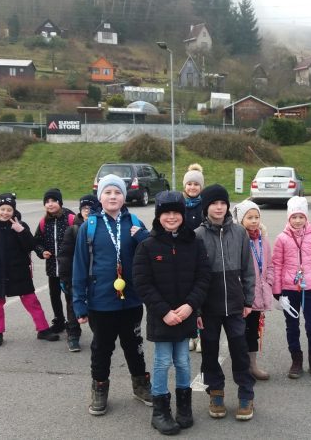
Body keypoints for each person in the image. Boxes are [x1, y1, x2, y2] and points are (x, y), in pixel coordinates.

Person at [73, 174, 152, 416]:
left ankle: (140, 385)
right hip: (101, 302)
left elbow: (151, 254)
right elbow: (79, 266)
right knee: (101, 349)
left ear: (124, 197)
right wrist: (79, 303)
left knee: (134, 346)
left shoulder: (134, 222)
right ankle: (99, 388)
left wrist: (144, 238)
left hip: (131, 300)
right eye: (107, 192)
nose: (113, 196)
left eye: (117, 192)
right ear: (100, 197)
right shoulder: (89, 226)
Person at [133, 191, 210, 435]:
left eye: (176, 212)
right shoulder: (147, 245)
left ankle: (184, 408)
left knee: (184, 361)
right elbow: (142, 283)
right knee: (162, 362)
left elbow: (203, 277)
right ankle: (160, 412)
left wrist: (190, 306)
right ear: (158, 216)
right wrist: (164, 311)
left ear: (183, 215)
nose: (171, 217)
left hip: (186, 314)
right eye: (166, 212)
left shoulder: (194, 243)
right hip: (162, 317)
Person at [195, 184, 256, 421]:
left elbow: (248, 269)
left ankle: (246, 394)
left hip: (235, 304)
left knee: (240, 350)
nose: (219, 207)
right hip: (208, 307)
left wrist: (248, 299)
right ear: (206, 207)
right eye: (214, 203)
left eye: (223, 203)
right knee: (209, 351)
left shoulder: (239, 233)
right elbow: (193, 276)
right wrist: (197, 309)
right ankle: (216, 392)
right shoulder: (198, 235)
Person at [0, 192, 59, 347]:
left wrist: (21, 231)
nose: (5, 212)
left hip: (19, 272)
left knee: (31, 300)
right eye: (2, 209)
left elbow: (30, 245)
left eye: (9, 210)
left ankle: (43, 329)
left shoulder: (21, 226)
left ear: (14, 211)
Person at [272, 196, 311, 380]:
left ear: (306, 217)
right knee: (292, 326)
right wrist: (277, 289)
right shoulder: (282, 238)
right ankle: (296, 360)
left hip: (310, 288)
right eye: (294, 217)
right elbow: (277, 264)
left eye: (301, 217)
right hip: (289, 289)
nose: (297, 221)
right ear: (289, 218)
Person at [232, 200, 273, 380]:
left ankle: (252, 365)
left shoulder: (263, 240)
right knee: (239, 332)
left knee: (253, 332)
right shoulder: (237, 240)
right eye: (250, 217)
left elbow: (270, 265)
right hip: (242, 295)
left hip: (259, 294)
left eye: (257, 217)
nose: (254, 221)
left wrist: (268, 282)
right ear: (241, 220)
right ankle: (241, 366)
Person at [56, 194, 99, 352]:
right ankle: (73, 335)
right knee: (73, 306)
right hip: (76, 276)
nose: (87, 211)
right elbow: (64, 256)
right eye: (84, 208)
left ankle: (99, 335)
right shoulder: (73, 230)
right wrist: (64, 278)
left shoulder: (100, 228)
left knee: (96, 307)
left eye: (91, 208)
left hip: (96, 277)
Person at [34, 188, 76, 335]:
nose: (50, 204)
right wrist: (41, 251)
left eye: (53, 201)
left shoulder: (71, 218)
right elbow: (37, 242)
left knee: (70, 297)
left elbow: (81, 240)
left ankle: (72, 324)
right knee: (54, 295)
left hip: (69, 268)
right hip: (52, 268)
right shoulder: (43, 222)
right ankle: (59, 321)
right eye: (47, 202)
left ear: (60, 202)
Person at [183, 163, 206, 353]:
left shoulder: (205, 205)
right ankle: (191, 334)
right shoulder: (179, 205)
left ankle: (201, 336)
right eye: (189, 184)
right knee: (187, 296)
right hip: (184, 256)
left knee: (202, 298)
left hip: (202, 255)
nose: (192, 187)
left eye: (196, 184)